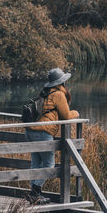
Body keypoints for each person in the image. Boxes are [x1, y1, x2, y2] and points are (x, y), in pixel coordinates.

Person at [25, 68, 79, 205]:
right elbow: (66, 116)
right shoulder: (59, 94)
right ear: (61, 82)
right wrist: (76, 113)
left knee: (36, 163)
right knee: (49, 163)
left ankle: (34, 194)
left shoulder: (45, 92)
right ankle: (35, 192)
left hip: (31, 130)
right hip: (43, 132)